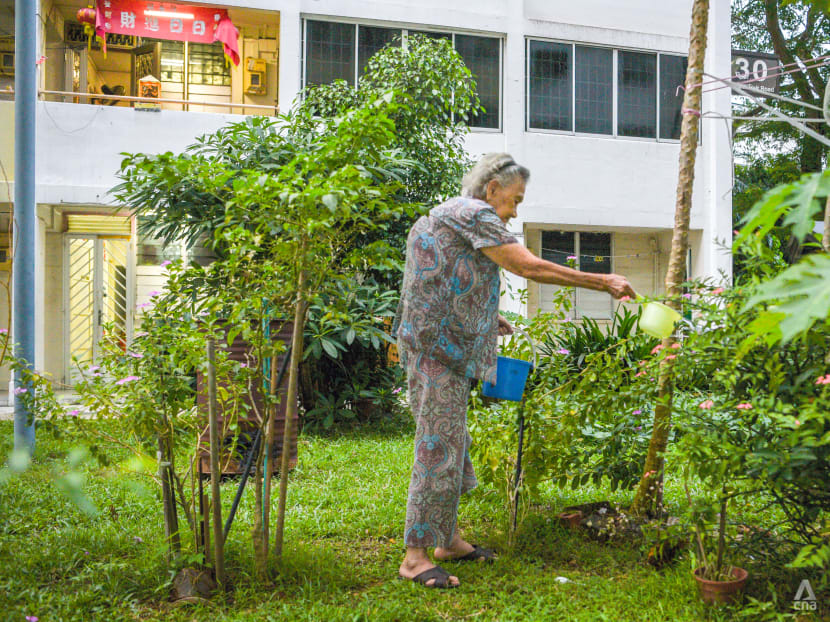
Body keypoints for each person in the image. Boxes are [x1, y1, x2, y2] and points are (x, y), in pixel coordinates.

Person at [395, 153, 636, 589]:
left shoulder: (449, 215)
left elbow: (445, 277)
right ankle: (415, 557)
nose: (514, 212)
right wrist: (603, 282)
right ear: (492, 190)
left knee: (452, 437)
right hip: (435, 350)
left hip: (433, 342)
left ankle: (447, 539)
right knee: (436, 444)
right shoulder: (479, 214)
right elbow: (529, 267)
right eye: (514, 201)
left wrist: (486, 318)